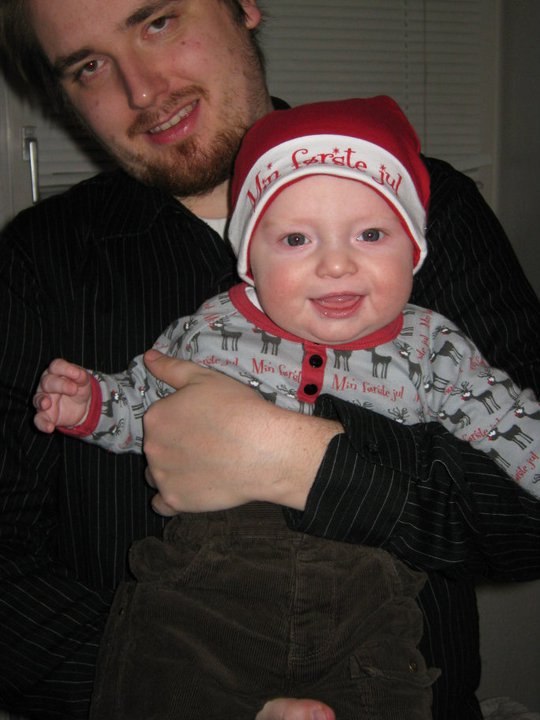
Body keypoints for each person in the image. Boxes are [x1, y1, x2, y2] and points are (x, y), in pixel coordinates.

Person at [0, 1, 539, 719]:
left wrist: (308, 463)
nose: (142, 89)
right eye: (89, 65)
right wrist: (180, 690)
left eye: (157, 22)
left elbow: (526, 515)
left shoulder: (439, 212)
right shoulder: (36, 261)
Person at [33, 97, 540, 499]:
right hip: (208, 571)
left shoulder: (436, 350)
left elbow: (507, 426)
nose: (336, 265)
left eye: (370, 235)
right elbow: (147, 408)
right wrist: (90, 403)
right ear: (250, 262)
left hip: (373, 579)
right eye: (296, 239)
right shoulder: (210, 330)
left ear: (414, 250)